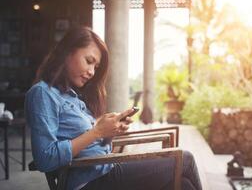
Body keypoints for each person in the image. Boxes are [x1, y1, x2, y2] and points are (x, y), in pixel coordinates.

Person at [25, 26, 202, 190]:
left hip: (105, 169)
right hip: (90, 181)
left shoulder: (71, 96)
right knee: (184, 159)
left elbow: (90, 145)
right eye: (89, 61)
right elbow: (44, 159)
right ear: (67, 52)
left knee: (183, 184)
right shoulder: (43, 93)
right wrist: (96, 132)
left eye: (96, 66)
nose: (92, 72)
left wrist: (109, 133)